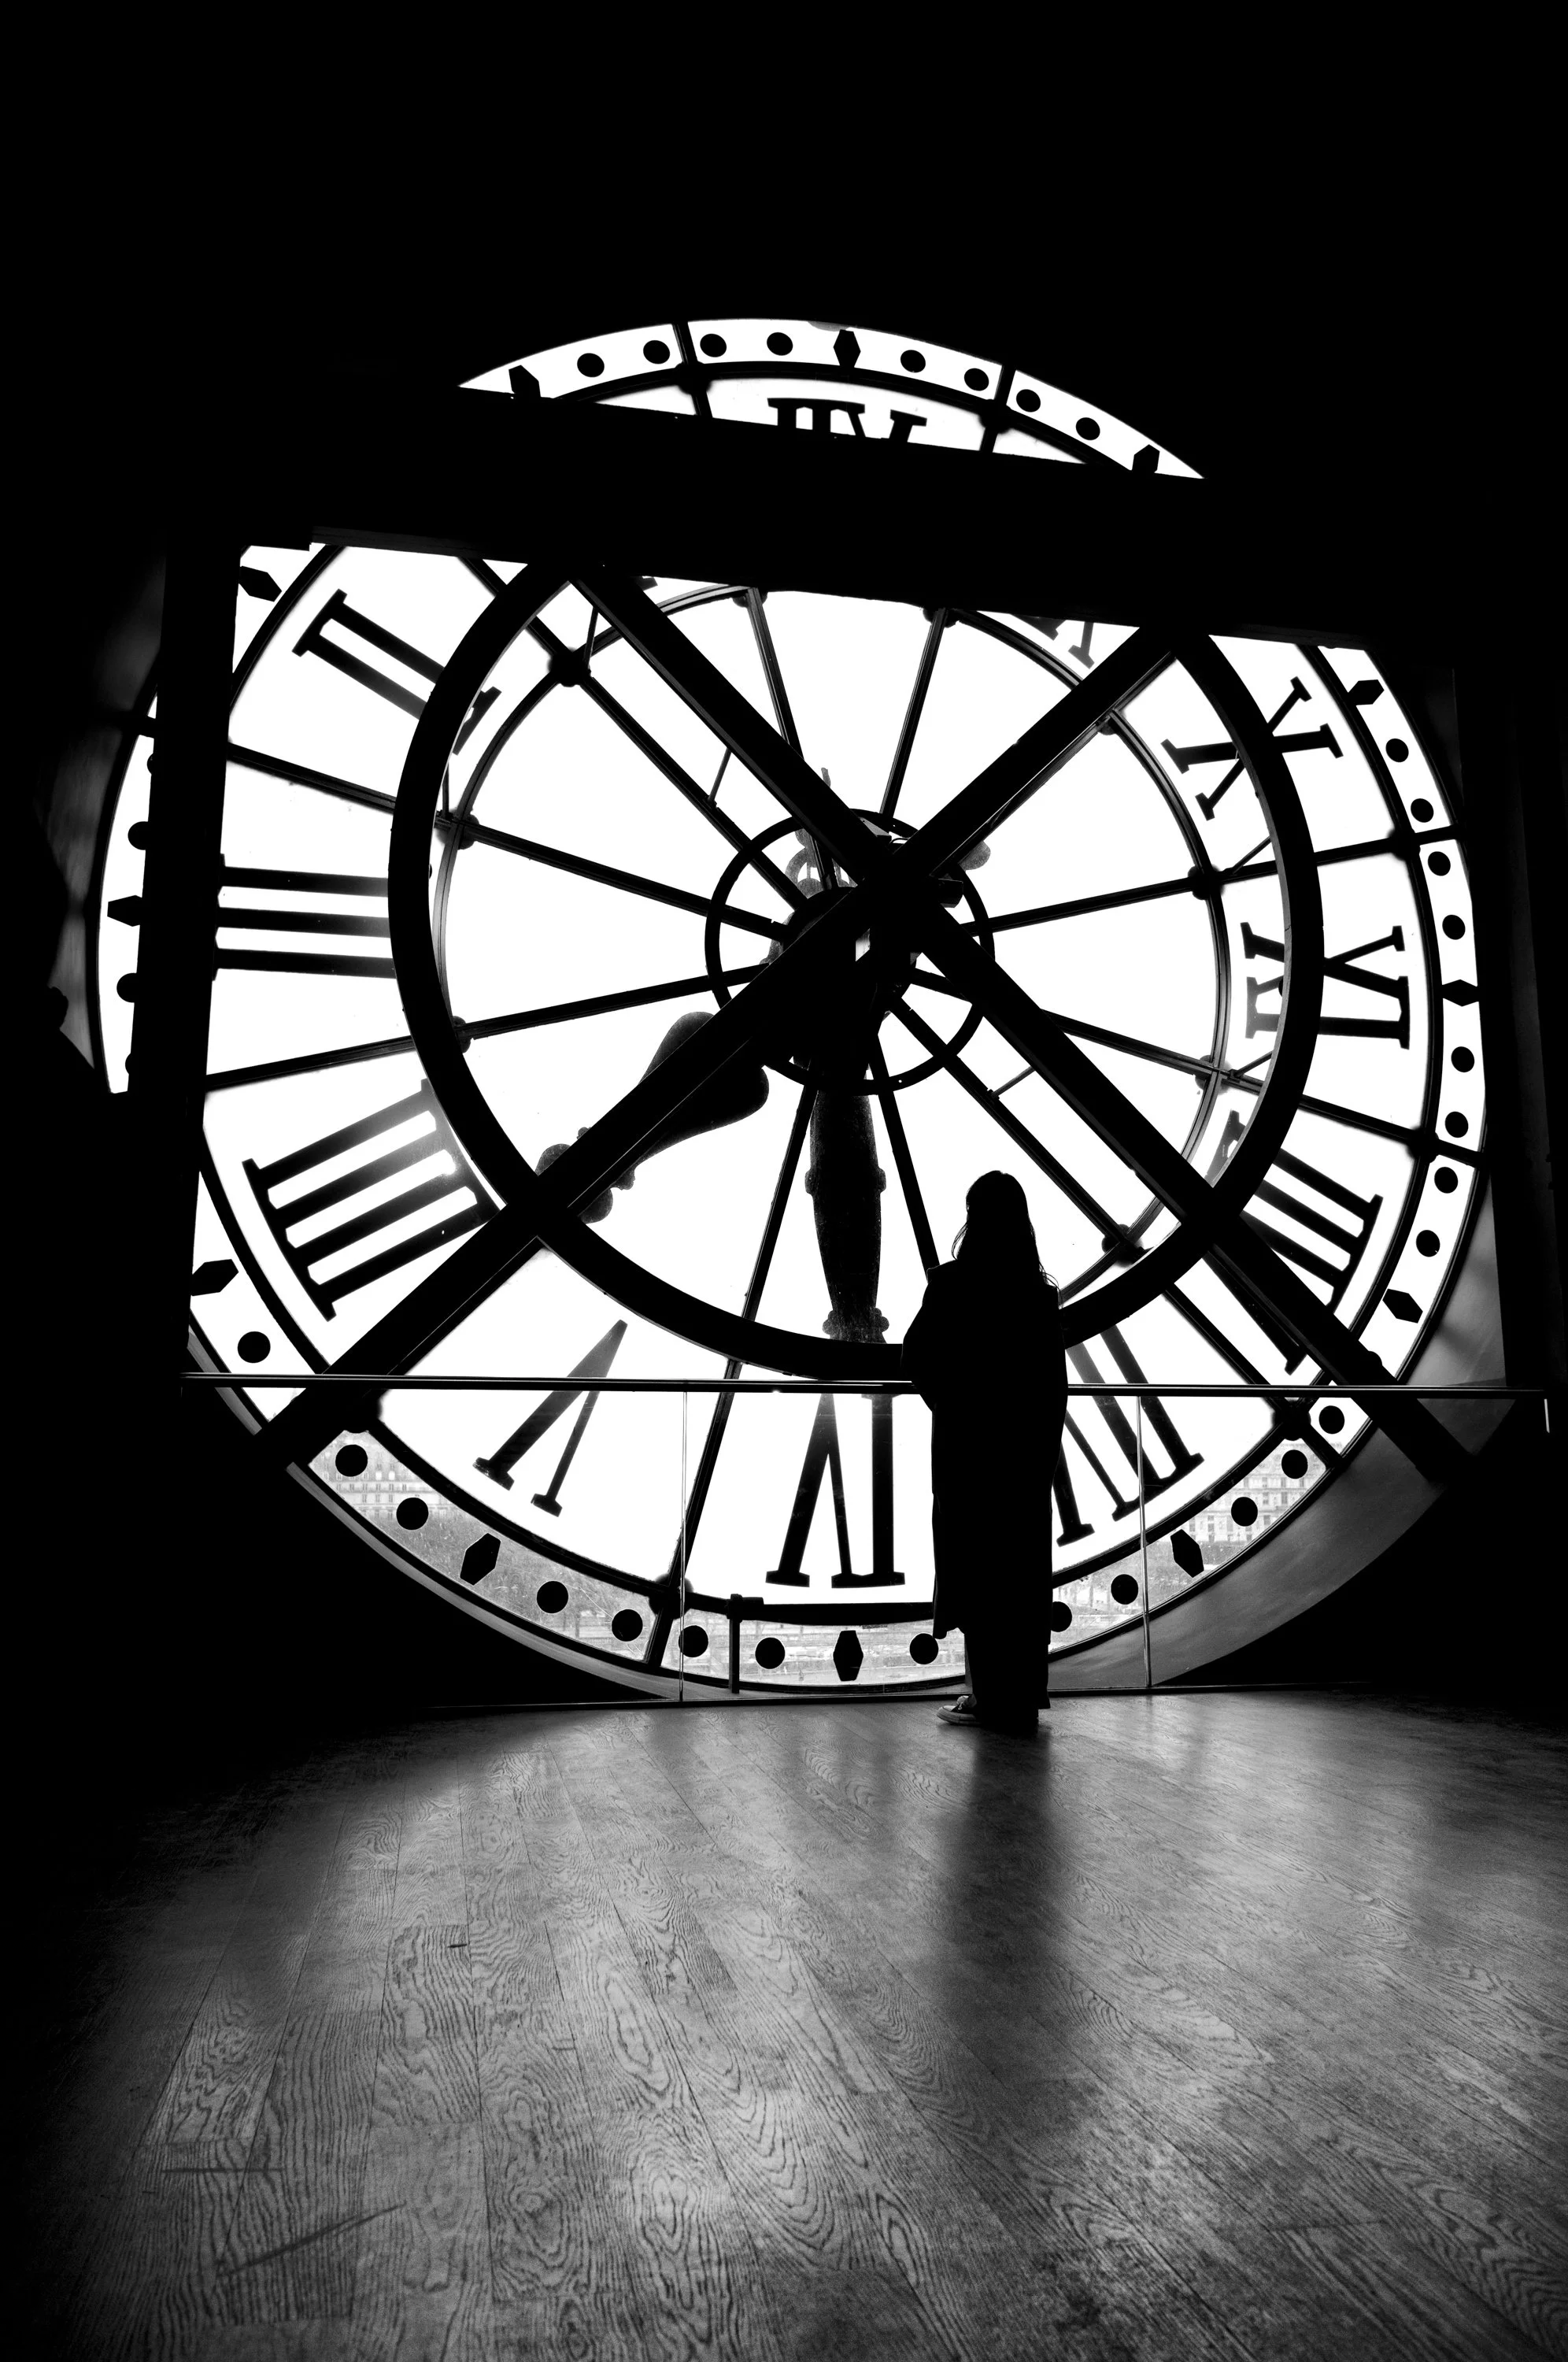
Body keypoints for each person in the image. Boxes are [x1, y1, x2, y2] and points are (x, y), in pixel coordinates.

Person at [902, 1172, 1067, 1731]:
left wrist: (955, 1407)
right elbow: (1052, 1390)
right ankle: (1020, 1696)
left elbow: (918, 1357)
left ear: (972, 1219)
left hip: (967, 1453)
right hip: (1023, 1458)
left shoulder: (950, 1287)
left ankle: (986, 1694)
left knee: (975, 1574)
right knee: (1019, 1579)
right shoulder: (1040, 1298)